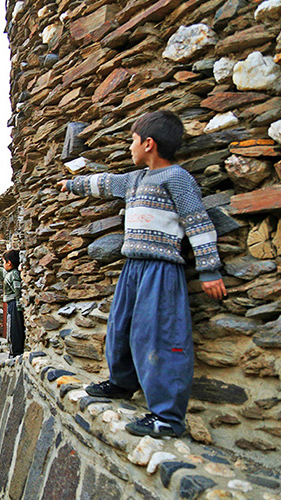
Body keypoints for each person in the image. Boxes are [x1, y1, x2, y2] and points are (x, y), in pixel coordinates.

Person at [58, 110, 227, 439]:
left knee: (159, 337)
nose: (130, 147)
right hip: (132, 267)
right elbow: (104, 183)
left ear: (149, 144)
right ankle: (122, 383)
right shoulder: (134, 180)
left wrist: (209, 269)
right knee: (121, 328)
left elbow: (198, 222)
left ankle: (167, 416)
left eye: (133, 141)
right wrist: (71, 184)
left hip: (161, 270)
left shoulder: (176, 179)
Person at [0, 249, 24, 358]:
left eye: (4, 262)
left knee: (14, 330)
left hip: (14, 305)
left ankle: (15, 353)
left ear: (9, 263)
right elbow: (2, 273)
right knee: (11, 329)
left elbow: (17, 291)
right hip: (11, 305)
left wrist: (19, 306)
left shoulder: (14, 275)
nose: (3, 265)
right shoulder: (10, 273)